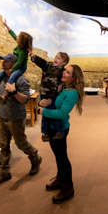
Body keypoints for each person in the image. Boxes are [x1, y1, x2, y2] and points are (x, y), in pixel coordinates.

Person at [0, 53, 42, 187]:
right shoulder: (0, 77)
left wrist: (13, 91)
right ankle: (4, 171)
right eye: (3, 60)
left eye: (6, 61)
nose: (3, 63)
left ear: (13, 63)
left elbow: (25, 99)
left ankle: (35, 157)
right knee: (3, 145)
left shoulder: (21, 80)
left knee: (21, 143)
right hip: (2, 116)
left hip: (16, 118)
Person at [39, 65, 85, 204]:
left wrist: (42, 112)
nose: (64, 72)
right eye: (65, 70)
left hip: (60, 129)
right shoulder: (62, 87)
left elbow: (62, 113)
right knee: (58, 156)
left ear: (73, 77)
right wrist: (41, 103)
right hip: (52, 127)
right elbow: (49, 100)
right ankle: (60, 179)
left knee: (62, 157)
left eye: (68, 72)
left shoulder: (72, 93)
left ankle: (68, 187)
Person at [0, 19, 32, 104]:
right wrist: (7, 26)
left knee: (12, 77)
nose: (17, 37)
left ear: (22, 41)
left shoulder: (23, 51)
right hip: (16, 65)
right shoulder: (19, 45)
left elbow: (19, 63)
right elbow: (13, 35)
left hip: (21, 68)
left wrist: (12, 70)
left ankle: (5, 96)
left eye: (19, 36)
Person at [28, 50, 70, 141]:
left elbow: (65, 79)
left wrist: (61, 84)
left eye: (59, 58)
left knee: (53, 112)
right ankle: (45, 132)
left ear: (64, 63)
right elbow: (41, 62)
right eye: (55, 57)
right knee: (45, 113)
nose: (56, 59)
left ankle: (59, 131)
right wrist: (34, 56)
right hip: (44, 93)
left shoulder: (63, 71)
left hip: (53, 95)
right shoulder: (48, 65)